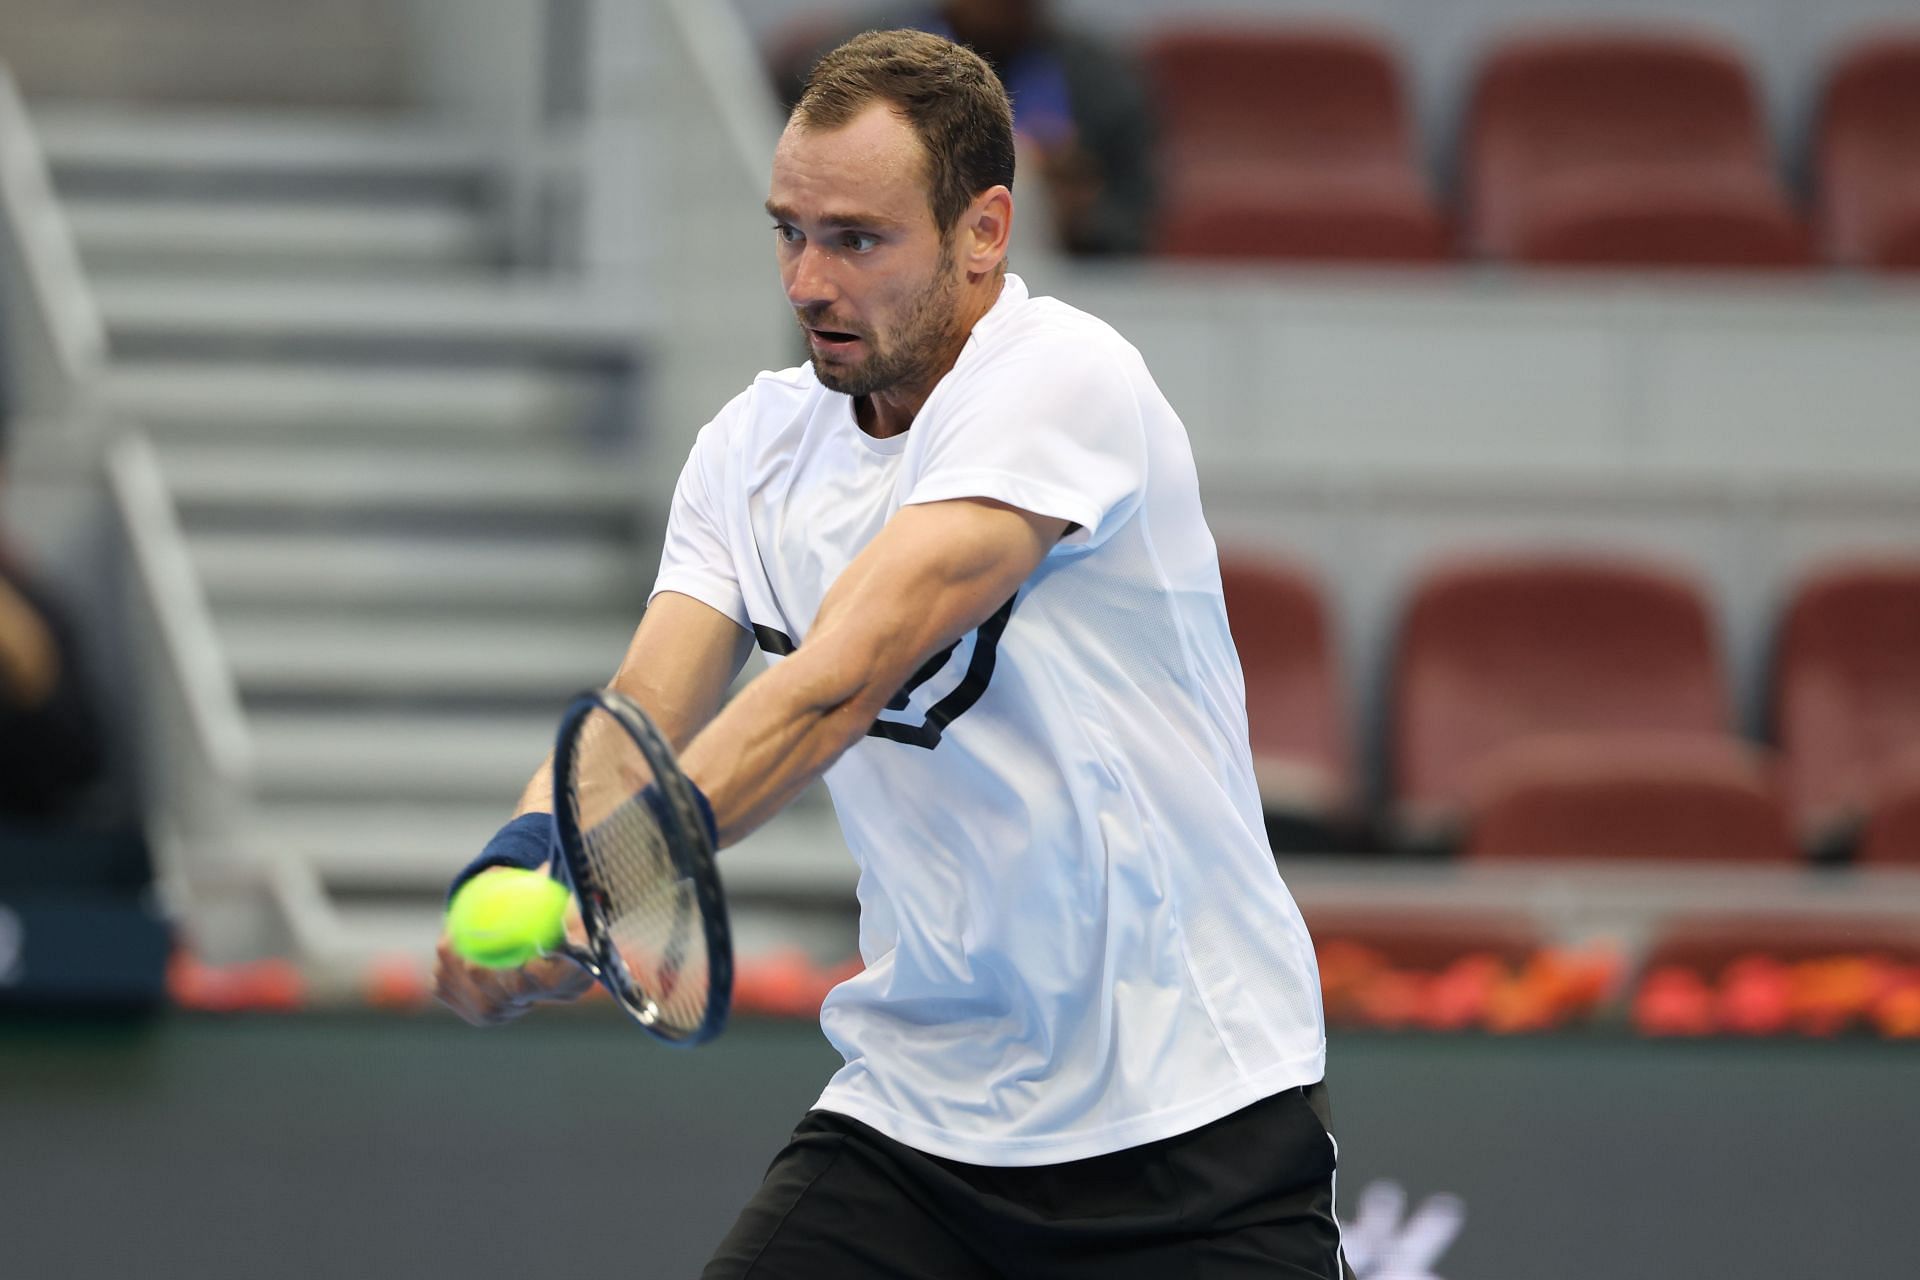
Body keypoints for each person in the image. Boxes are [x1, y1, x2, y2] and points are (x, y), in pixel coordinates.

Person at [435, 29, 1350, 1279]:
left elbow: (839, 677)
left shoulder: (1066, 378)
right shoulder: (750, 450)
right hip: (919, 1121)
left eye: (857, 240)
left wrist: (625, 873)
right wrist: (528, 848)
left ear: (984, 232)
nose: (808, 280)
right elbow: (643, 702)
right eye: (788, 232)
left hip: (1188, 1115)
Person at [773, 0, 1156, 257]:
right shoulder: (860, 57)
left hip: (1050, 292)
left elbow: (1136, 233)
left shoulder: (1104, 85)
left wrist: (1081, 218)